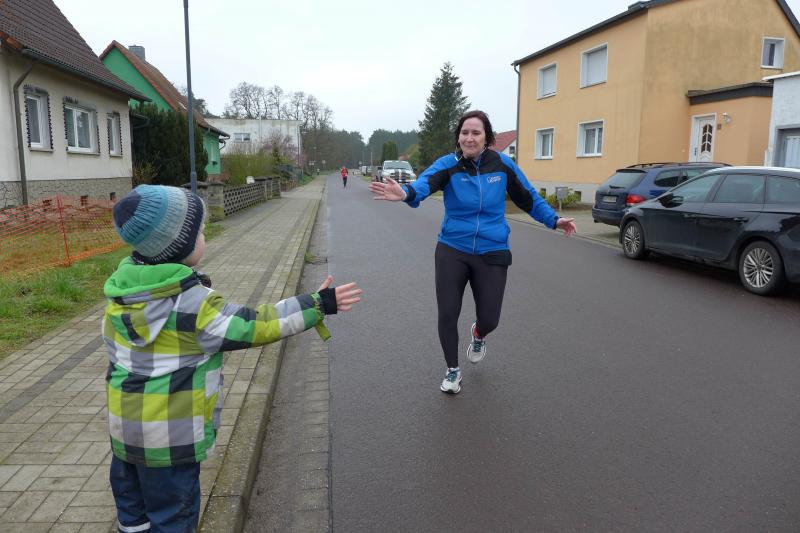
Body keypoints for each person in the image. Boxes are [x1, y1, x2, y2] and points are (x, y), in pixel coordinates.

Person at [103, 185, 361, 531]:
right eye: (199, 232)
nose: (204, 236)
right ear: (177, 246)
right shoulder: (193, 306)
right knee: (172, 521)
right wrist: (317, 304)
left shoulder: (120, 293)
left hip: (124, 435)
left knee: (133, 520)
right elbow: (254, 325)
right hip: (171, 444)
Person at [369, 110, 576, 395]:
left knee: (490, 318)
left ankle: (479, 333)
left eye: (476, 133)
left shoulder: (502, 165)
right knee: (448, 313)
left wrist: (553, 219)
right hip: (453, 248)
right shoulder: (448, 165)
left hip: (493, 249)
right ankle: (452, 370)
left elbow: (528, 196)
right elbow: (424, 184)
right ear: (458, 137)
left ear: (486, 138)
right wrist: (406, 194)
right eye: (464, 133)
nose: (469, 138)